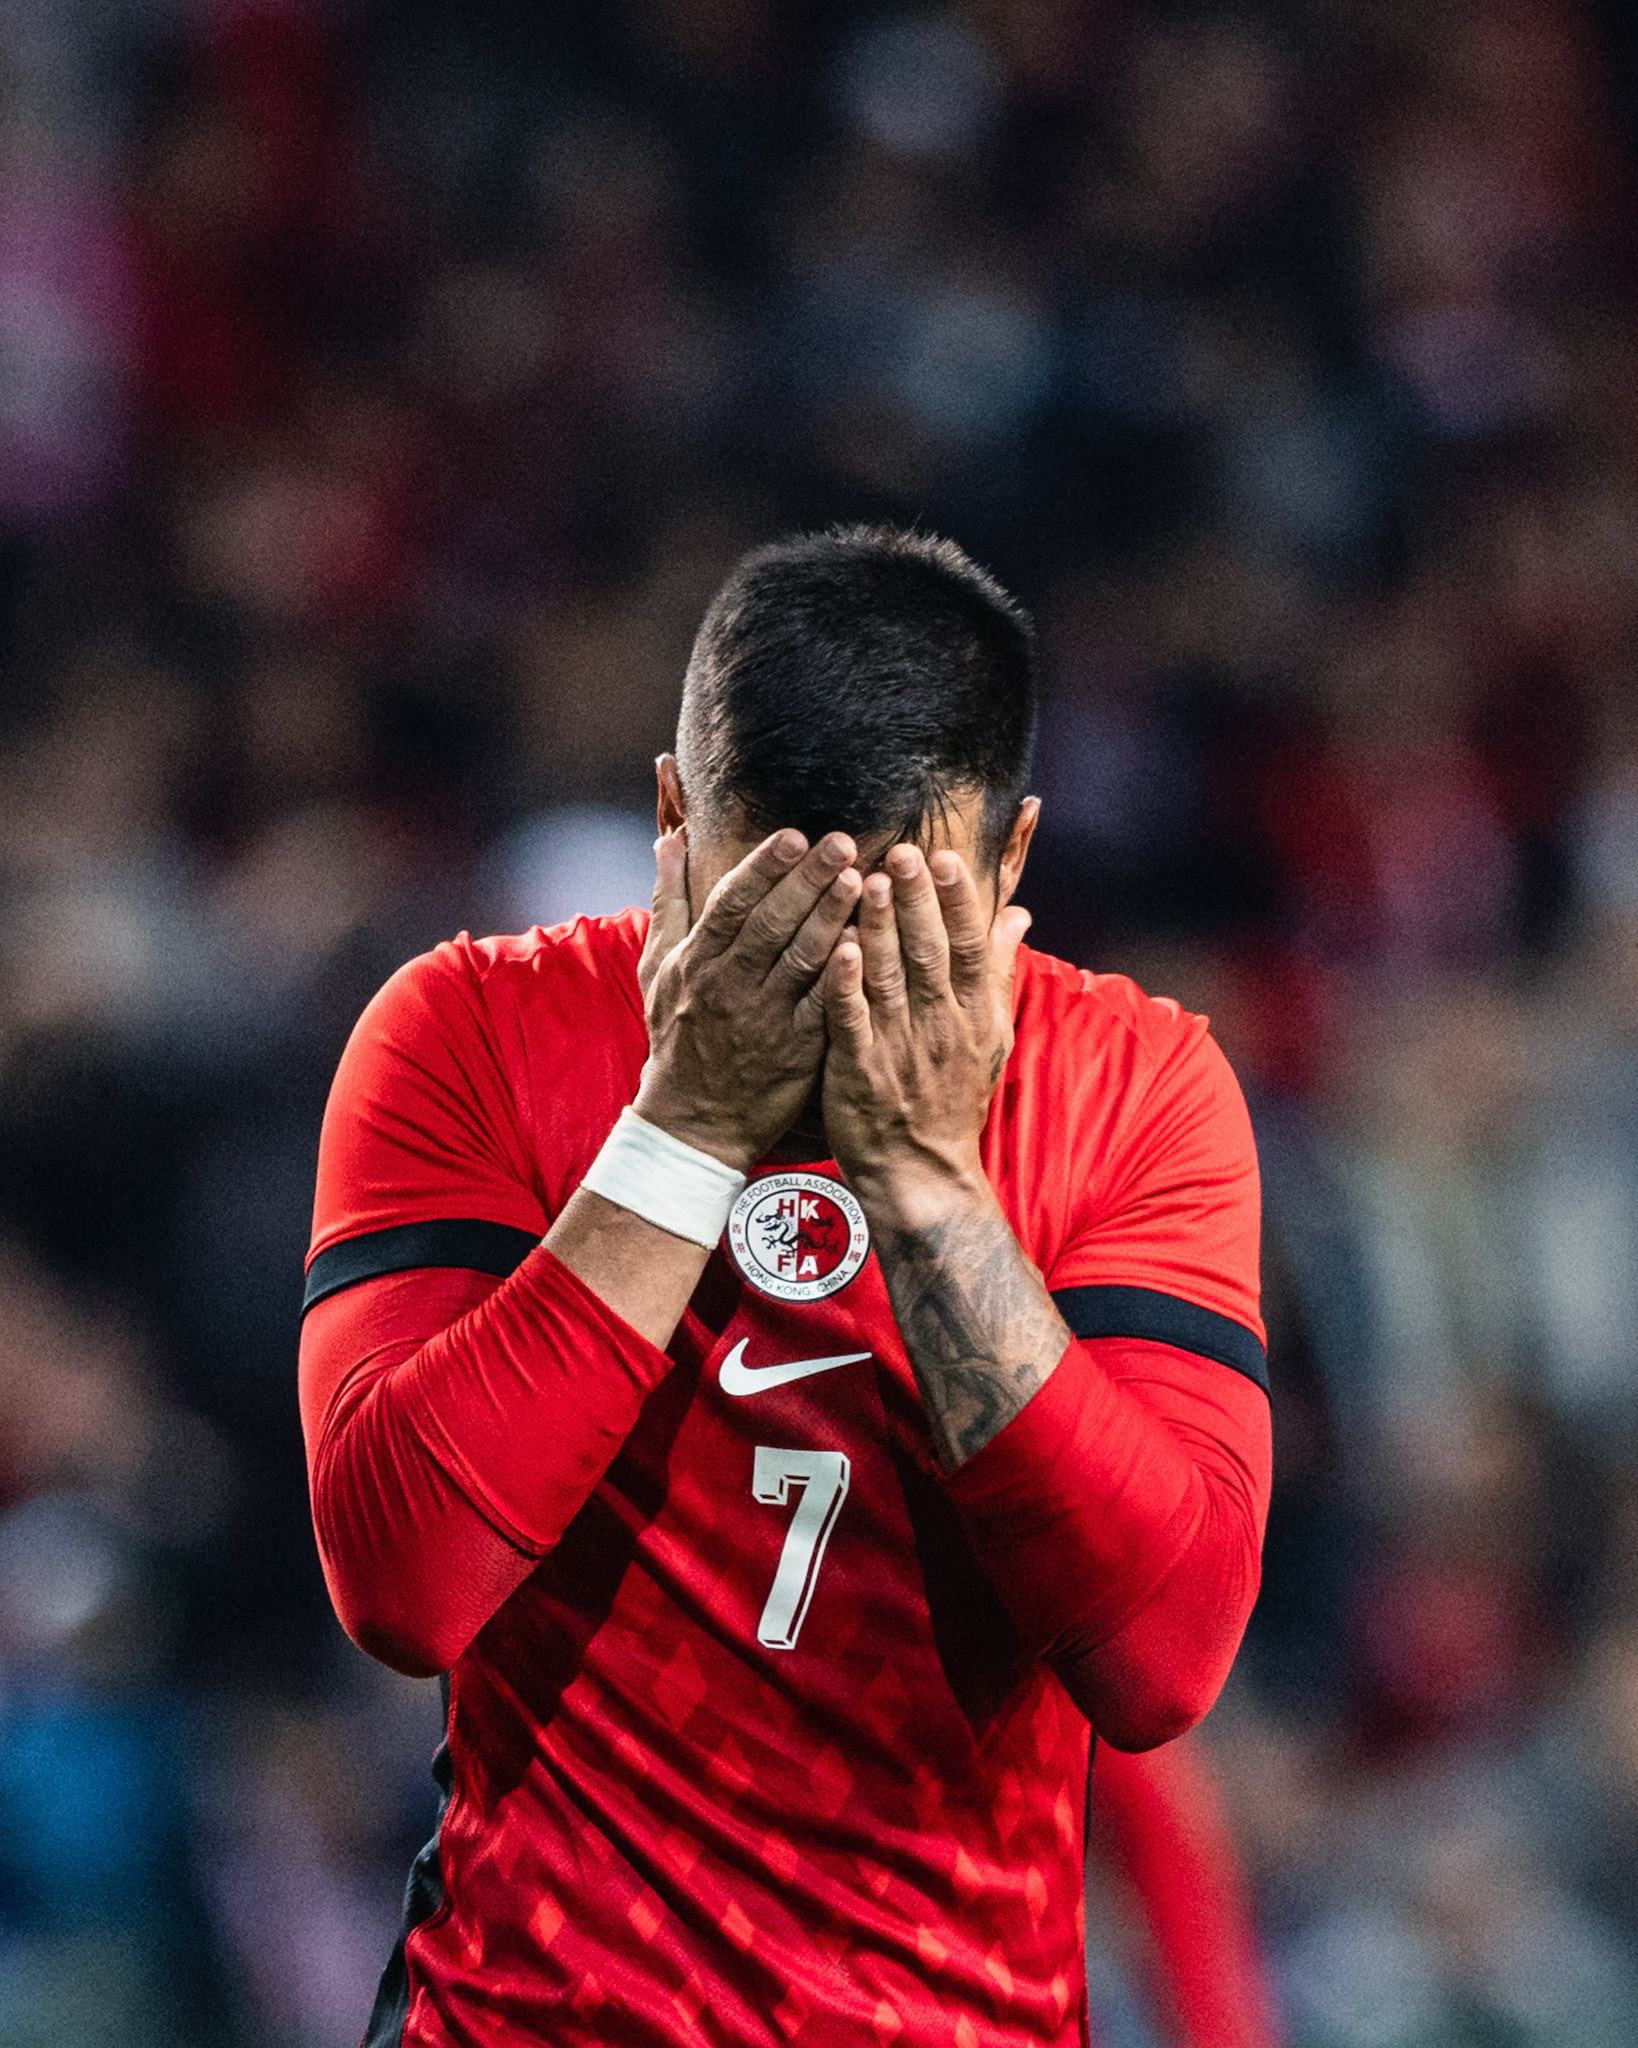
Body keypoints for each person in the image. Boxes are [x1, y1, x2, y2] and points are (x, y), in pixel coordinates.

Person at [298, 527, 1271, 2047]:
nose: (822, 977)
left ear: (1009, 861)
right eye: (771, 906)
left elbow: (1158, 1664)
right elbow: (405, 1587)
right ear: (672, 817)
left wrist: (929, 1188)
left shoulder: (1135, 1083)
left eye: (887, 918)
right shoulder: (470, 1029)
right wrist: (682, 1134)